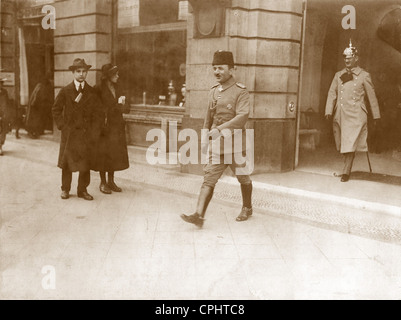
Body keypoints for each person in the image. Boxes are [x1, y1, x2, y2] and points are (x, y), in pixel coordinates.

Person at [180, 50, 253, 228]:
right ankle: (198, 215)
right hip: (217, 146)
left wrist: (219, 129)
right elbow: (208, 116)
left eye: (220, 68)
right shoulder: (213, 91)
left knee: (243, 178)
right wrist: (205, 136)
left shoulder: (240, 92)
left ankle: (247, 207)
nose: (217, 72)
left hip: (235, 146)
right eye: (214, 68)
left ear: (231, 69)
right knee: (208, 179)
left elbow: (242, 116)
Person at [325, 40, 381, 182]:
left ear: (356, 58)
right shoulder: (339, 75)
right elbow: (332, 92)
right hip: (341, 114)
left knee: (349, 143)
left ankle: (346, 171)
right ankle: (347, 165)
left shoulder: (364, 75)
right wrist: (328, 110)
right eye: (345, 57)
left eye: (350, 57)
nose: (347, 60)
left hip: (356, 115)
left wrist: (376, 115)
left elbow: (372, 96)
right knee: (342, 143)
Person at [52, 58, 101, 200]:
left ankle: (83, 190)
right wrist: (62, 126)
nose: (81, 74)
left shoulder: (91, 91)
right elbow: (55, 109)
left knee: (85, 162)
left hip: (86, 133)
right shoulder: (66, 90)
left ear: (87, 73)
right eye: (78, 71)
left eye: (84, 71)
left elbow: (98, 113)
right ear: (73, 73)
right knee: (67, 162)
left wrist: (94, 130)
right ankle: (65, 189)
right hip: (70, 133)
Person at [93, 64, 129, 194]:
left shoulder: (118, 87)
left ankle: (111, 181)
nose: (118, 76)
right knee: (103, 154)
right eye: (115, 74)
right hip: (104, 127)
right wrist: (116, 106)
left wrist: (123, 105)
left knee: (113, 154)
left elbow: (126, 106)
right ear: (108, 76)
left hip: (116, 127)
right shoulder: (98, 89)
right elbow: (96, 109)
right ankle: (103, 182)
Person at [26, 73, 54, 138]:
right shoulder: (41, 86)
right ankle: (34, 132)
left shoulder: (40, 85)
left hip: (38, 105)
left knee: (39, 118)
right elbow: (36, 96)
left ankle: (38, 131)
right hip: (36, 106)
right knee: (36, 119)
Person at [0, 78, 11, 156]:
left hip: (4, 114)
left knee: (3, 131)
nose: (1, 85)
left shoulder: (4, 92)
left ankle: (1, 145)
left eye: (1, 83)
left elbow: (7, 104)